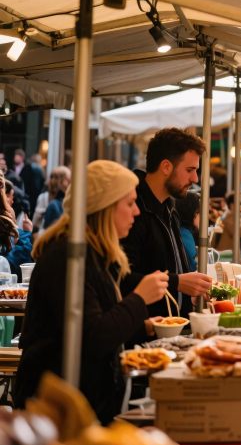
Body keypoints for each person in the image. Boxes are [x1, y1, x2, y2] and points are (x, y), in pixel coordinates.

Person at [14, 160, 169, 424]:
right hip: (58, 411)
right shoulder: (68, 257)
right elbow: (92, 337)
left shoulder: (93, 254)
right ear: (105, 207)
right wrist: (139, 299)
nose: (137, 212)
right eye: (130, 203)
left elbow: (95, 320)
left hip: (84, 402)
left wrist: (141, 326)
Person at [120, 128, 212, 318]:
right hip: (147, 329)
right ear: (166, 167)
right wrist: (177, 282)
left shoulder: (170, 207)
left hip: (176, 326)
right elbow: (122, 277)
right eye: (190, 170)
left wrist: (191, 291)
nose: (195, 179)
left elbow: (176, 269)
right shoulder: (132, 211)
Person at [0, 174, 32, 279]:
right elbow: (13, 261)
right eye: (10, 196)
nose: (12, 201)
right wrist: (27, 234)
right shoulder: (5, 218)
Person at [33, 166, 70, 232]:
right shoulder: (43, 197)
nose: (53, 181)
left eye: (56, 178)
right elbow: (35, 222)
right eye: (52, 177)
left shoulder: (67, 199)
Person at [175, 191, 201, 271]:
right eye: (199, 212)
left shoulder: (179, 230)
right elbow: (194, 266)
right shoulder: (185, 234)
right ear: (194, 213)